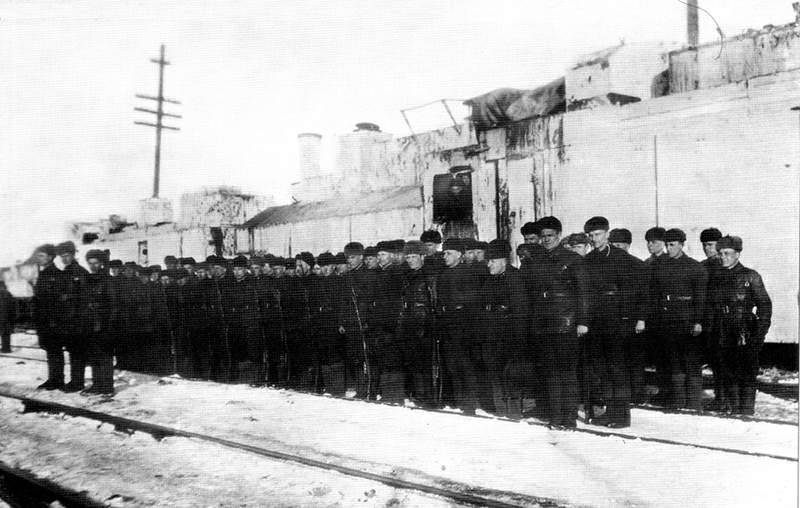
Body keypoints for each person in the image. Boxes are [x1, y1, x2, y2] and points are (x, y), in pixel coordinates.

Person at [521, 217, 590, 428]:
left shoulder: (573, 259)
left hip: (565, 323)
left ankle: (569, 417)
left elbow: (583, 292)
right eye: (543, 236)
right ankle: (556, 416)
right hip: (543, 324)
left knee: (567, 372)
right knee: (550, 372)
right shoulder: (536, 260)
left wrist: (582, 321)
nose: (546, 239)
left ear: (559, 235)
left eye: (550, 235)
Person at [583, 217, 645, 427]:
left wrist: (638, 318)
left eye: (598, 234)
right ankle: (611, 411)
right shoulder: (588, 260)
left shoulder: (623, 259)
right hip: (597, 320)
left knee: (618, 368)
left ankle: (622, 416)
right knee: (602, 368)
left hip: (618, 320)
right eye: (591, 235)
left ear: (607, 234)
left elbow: (637, 291)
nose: (594, 239)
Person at [706, 236, 771, 415]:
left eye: (727, 253)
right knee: (726, 371)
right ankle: (732, 410)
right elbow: (710, 306)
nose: (723, 257)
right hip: (721, 331)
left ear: (737, 254)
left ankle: (746, 412)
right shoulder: (715, 277)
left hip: (744, 331)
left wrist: (759, 334)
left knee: (747, 373)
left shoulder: (750, 276)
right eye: (720, 254)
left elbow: (765, 306)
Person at [649, 228, 707, 410]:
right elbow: (655, 294)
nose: (669, 249)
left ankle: (694, 402)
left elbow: (701, 298)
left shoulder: (695, 267)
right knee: (673, 362)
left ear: (682, 245)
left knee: (691, 362)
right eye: (667, 245)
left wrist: (698, 321)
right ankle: (678, 400)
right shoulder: (660, 266)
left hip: (688, 321)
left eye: (673, 245)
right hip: (668, 321)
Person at [480, 239, 529, 416]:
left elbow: (521, 311)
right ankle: (500, 410)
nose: (489, 265)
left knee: (512, 374)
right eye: (488, 261)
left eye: (492, 261)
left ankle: (514, 411)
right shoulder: (489, 280)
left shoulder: (515, 279)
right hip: (491, 335)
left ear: (503, 261)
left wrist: (519, 339)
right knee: (494, 372)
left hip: (510, 335)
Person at [436, 238, 483, 414]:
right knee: (452, 365)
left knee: (465, 365)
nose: (445, 257)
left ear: (459, 255)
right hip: (447, 324)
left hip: (463, 326)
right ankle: (458, 401)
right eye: (444, 253)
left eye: (448, 253)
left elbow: (472, 300)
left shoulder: (468, 273)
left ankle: (469, 404)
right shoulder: (443, 274)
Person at [397, 241, 437, 406]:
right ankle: (419, 395)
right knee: (413, 362)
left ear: (422, 256)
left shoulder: (429, 276)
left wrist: (429, 324)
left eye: (413, 256)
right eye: (408, 257)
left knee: (426, 363)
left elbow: (434, 302)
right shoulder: (407, 277)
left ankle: (430, 397)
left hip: (426, 326)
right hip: (410, 325)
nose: (410, 260)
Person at [337, 242, 376, 398]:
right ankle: (360, 388)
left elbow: (370, 300)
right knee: (354, 357)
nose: (350, 261)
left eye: (353, 257)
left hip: (363, 322)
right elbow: (342, 301)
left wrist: (366, 320)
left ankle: (368, 389)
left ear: (361, 257)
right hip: (350, 323)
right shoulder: (347, 276)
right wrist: (341, 321)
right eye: (348, 258)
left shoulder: (369, 275)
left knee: (365, 356)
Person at [56, 241, 89, 392]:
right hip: (68, 320)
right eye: (62, 256)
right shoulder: (65, 273)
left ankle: (77, 382)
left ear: (73, 254)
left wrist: (68, 297)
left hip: (78, 320)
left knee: (78, 352)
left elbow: (86, 296)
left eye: (67, 255)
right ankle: (74, 380)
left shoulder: (80, 272)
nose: (65, 259)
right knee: (72, 351)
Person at [33, 244, 64, 390]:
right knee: (51, 350)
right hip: (44, 320)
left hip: (52, 321)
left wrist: (53, 320)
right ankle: (54, 378)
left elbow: (56, 300)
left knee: (54, 350)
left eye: (41, 256)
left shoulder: (54, 274)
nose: (38, 258)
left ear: (50, 257)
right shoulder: (44, 273)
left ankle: (57, 379)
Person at [83, 250, 114, 395]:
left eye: (95, 263)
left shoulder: (108, 280)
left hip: (105, 324)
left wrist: (110, 324)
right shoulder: (89, 279)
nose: (93, 266)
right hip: (91, 323)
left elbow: (114, 304)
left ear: (101, 263)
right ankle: (97, 384)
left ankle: (107, 387)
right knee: (94, 355)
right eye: (90, 263)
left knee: (105, 356)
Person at [0, 280, 15, 353]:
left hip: (2, 316)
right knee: (6, 333)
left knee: (4, 333)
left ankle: (5, 349)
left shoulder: (1, 293)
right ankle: (6, 348)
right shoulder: (8, 293)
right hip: (8, 316)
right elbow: (13, 306)